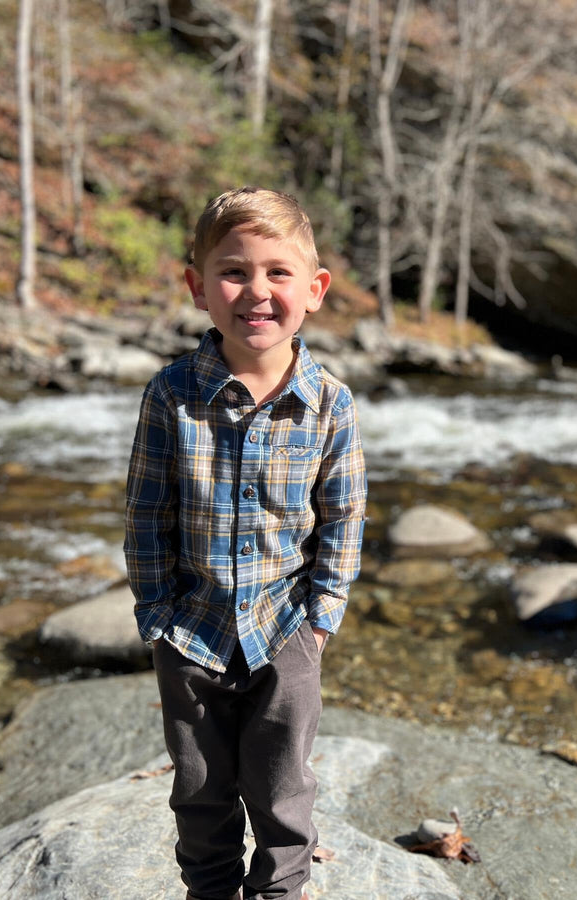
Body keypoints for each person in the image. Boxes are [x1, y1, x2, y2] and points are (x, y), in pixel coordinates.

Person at [124, 186, 367, 900]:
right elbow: (144, 512)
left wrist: (322, 618)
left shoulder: (331, 405)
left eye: (278, 273)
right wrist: (156, 616)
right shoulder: (171, 395)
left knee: (284, 794)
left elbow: (343, 519)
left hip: (287, 632)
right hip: (191, 633)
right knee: (200, 795)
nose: (256, 291)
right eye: (234, 272)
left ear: (314, 290)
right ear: (198, 287)